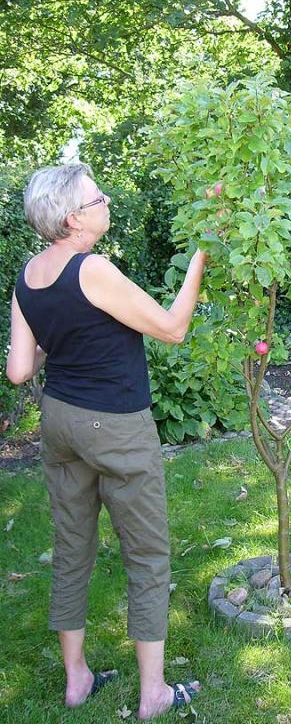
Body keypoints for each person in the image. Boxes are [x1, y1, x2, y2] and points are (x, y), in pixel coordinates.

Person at [6, 163, 207, 718]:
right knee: (146, 554)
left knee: (72, 550)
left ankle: (77, 680)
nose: (106, 201)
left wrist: (56, 336)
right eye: (98, 197)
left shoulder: (29, 274)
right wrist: (201, 258)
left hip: (60, 421)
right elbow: (172, 327)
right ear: (74, 218)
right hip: (115, 425)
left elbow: (20, 370)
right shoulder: (91, 269)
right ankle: (153, 694)